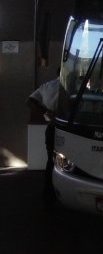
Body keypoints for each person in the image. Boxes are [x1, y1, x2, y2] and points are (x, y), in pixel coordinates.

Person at [26, 71, 60, 210]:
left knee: (51, 161)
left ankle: (48, 196)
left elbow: (30, 101)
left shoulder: (47, 86)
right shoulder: (75, 86)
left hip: (52, 127)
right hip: (71, 128)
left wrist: (46, 111)